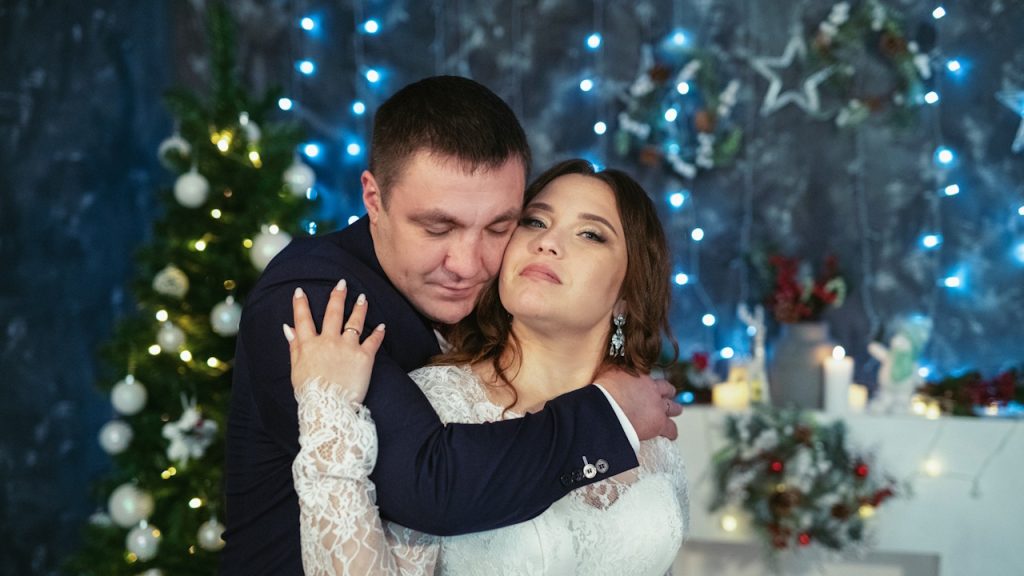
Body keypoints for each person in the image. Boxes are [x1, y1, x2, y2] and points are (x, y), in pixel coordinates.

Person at [222, 76, 682, 575]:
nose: (467, 265)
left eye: (500, 226)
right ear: (373, 200)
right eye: (438, 228)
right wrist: (609, 416)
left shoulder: (490, 304)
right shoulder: (310, 302)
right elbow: (430, 488)